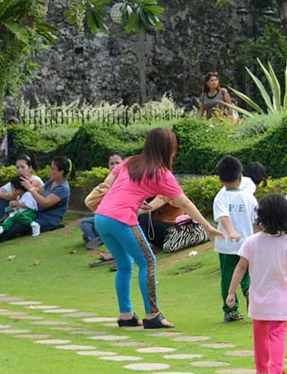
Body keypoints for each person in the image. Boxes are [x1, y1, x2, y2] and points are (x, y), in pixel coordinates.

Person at [95, 128, 222, 329]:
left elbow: (109, 185)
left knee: (125, 265)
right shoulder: (162, 173)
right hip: (122, 218)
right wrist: (207, 227)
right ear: (168, 149)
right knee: (148, 262)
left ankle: (126, 315)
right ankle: (153, 315)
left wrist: (135, 199)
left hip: (101, 216)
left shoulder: (130, 161)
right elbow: (186, 203)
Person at [226, 193, 287, 374]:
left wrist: (231, 292)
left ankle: (261, 372)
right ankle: (277, 373)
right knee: (277, 335)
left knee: (260, 336)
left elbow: (241, 267)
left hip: (257, 300)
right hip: (278, 301)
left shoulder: (252, 241)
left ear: (261, 217)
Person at [0, 156, 72, 246]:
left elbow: (45, 203)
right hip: (35, 213)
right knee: (11, 217)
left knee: (17, 225)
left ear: (61, 172)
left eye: (53, 169)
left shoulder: (63, 188)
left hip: (47, 219)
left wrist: (30, 189)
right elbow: (40, 191)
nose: (50, 171)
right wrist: (28, 187)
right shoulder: (52, 181)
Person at [213, 156, 258, 323]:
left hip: (227, 245)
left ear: (220, 179)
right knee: (246, 272)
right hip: (247, 243)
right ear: (240, 178)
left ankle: (230, 309)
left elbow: (222, 216)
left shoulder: (221, 197)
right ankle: (248, 290)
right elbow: (256, 221)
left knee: (227, 276)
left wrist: (231, 232)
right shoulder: (249, 197)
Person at [81, 151, 124, 249]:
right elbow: (92, 201)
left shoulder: (126, 180)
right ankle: (94, 239)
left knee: (99, 225)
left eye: (117, 163)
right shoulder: (107, 182)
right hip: (104, 216)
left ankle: (95, 237)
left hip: (118, 218)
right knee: (84, 223)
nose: (114, 166)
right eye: (111, 164)